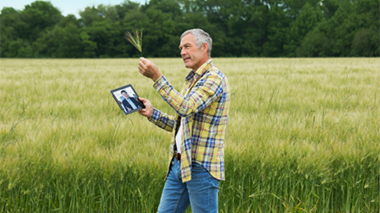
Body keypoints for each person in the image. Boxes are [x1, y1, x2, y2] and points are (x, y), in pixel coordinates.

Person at [137, 28, 230, 213]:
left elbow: (185, 107)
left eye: (187, 46)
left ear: (204, 47)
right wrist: (152, 113)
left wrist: (157, 77)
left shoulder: (214, 78)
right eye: (180, 48)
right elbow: (181, 125)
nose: (182, 52)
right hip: (179, 164)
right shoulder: (192, 79)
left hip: (200, 167)